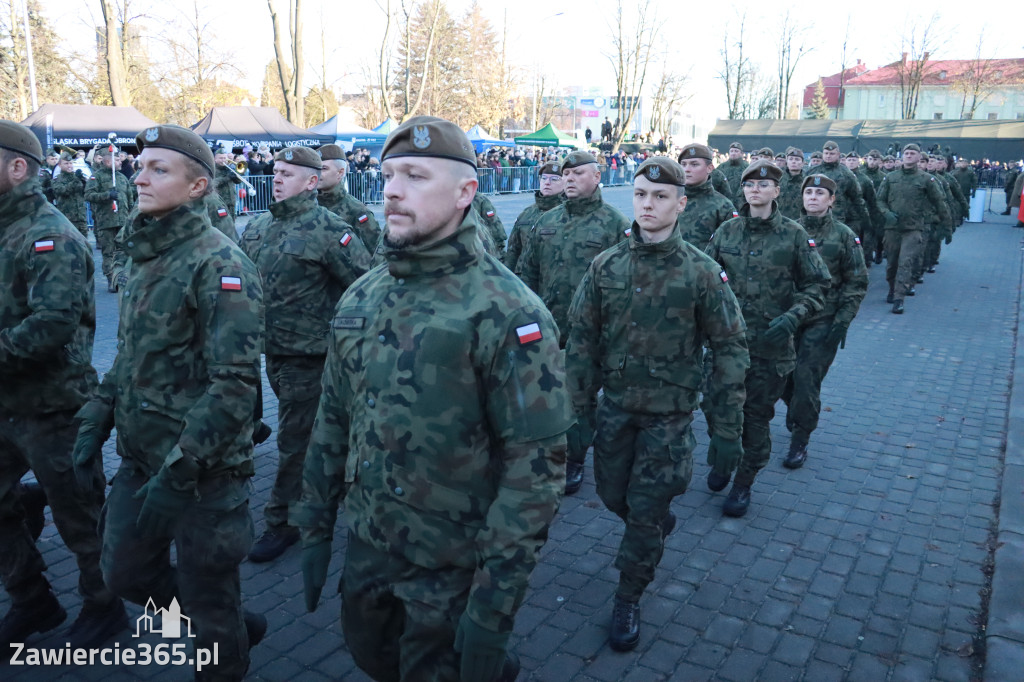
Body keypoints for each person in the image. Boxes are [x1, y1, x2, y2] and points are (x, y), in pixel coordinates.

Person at [291, 115, 571, 682]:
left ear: (466, 192)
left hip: (450, 567)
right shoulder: (362, 296)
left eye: (416, 176)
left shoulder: (508, 312)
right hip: (369, 545)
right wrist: (316, 523)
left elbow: (534, 475)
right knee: (370, 657)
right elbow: (333, 419)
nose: (392, 189)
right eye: (389, 173)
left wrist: (494, 608)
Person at [73, 124, 267, 680]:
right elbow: (132, 354)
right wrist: (99, 411)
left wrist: (182, 469)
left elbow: (234, 385)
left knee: (209, 595)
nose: (140, 175)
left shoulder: (220, 264)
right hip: (141, 457)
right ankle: (225, 620)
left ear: (198, 186)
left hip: (203, 472)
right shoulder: (143, 254)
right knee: (124, 574)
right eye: (141, 165)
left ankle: (222, 637)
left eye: (160, 168)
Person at [565, 157, 748, 652]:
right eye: (642, 195)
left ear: (680, 204)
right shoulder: (607, 265)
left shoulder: (702, 272)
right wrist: (576, 411)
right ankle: (648, 525)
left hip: (669, 417)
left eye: (661, 197)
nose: (649, 205)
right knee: (611, 495)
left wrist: (727, 428)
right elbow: (581, 339)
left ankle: (629, 593)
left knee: (645, 512)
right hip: (616, 409)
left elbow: (730, 347)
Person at [0, 120, 128, 650]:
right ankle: (31, 598)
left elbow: (52, 326)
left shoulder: (51, 235)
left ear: (17, 167)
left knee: (81, 520)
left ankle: (104, 607)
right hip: (7, 404)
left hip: (55, 408)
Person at [240, 146, 371, 563]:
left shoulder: (330, 230)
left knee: (294, 442)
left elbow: (364, 290)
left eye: (288, 174)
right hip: (271, 354)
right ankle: (344, 478)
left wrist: (348, 345)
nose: (276, 179)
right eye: (275, 171)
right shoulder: (259, 226)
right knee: (314, 434)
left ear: (312, 182)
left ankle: (284, 522)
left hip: (312, 358)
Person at [704, 160, 830, 517]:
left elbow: (818, 284)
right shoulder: (727, 232)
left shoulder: (793, 235)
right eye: (749, 185)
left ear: (777, 191)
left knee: (755, 417)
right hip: (724, 344)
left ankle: (744, 482)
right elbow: (704, 278)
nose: (755, 190)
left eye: (764, 185)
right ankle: (723, 459)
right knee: (714, 409)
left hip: (768, 349)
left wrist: (794, 316)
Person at [518, 150, 631, 495]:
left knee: (580, 398)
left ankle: (575, 458)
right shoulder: (547, 222)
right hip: (547, 326)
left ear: (597, 177)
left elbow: (627, 284)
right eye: (565, 174)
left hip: (589, 331)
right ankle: (543, 448)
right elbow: (527, 274)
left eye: (577, 173)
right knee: (541, 391)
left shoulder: (615, 224)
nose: (568, 179)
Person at [780, 175, 867, 468]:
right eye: (809, 192)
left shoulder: (844, 235)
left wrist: (842, 321)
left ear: (831, 200)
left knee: (806, 378)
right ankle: (799, 413)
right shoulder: (787, 230)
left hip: (824, 319)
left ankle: (800, 439)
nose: (813, 197)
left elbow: (856, 282)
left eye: (820, 193)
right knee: (780, 378)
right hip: (788, 317)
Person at [877, 144, 950, 314]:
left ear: (919, 157)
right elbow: (879, 200)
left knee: (905, 262)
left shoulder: (926, 179)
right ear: (902, 156)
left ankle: (899, 298)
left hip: (914, 228)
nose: (909, 156)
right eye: (906, 153)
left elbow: (939, 202)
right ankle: (892, 288)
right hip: (892, 228)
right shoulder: (891, 177)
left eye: (912, 153)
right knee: (892, 264)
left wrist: (946, 225)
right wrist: (886, 213)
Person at [83, 145, 133, 292]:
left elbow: (129, 198)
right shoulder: (96, 177)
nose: (120, 162)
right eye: (116, 160)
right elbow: (88, 195)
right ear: (107, 161)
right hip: (106, 221)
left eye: (119, 159)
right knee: (109, 252)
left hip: (122, 221)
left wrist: (130, 216)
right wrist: (107, 195)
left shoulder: (122, 178)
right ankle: (111, 279)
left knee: (124, 251)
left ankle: (124, 277)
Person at [316, 144, 382, 250]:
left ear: (340, 172)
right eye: (316, 168)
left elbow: (376, 251)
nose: (318, 173)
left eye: (324, 169)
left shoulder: (357, 210)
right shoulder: (308, 204)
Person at [504, 161, 564, 272]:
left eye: (554, 179)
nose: (547, 183)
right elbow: (513, 252)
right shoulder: (527, 213)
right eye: (544, 178)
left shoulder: (570, 213)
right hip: (524, 282)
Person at [675, 143, 737, 248]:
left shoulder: (723, 207)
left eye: (694, 164)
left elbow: (731, 249)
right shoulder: (670, 199)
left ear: (710, 168)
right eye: (683, 164)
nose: (687, 169)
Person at [51, 151, 89, 238]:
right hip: (67, 218)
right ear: (60, 165)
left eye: (71, 163)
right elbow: (63, 191)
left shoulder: (78, 177)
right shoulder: (57, 179)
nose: (69, 166)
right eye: (66, 163)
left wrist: (84, 180)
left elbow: (87, 192)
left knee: (84, 243)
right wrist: (76, 179)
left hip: (81, 217)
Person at [777, 147, 807, 220]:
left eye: (797, 159)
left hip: (800, 222)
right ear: (787, 161)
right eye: (791, 159)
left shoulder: (807, 181)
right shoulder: (778, 179)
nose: (793, 162)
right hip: (779, 221)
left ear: (803, 163)